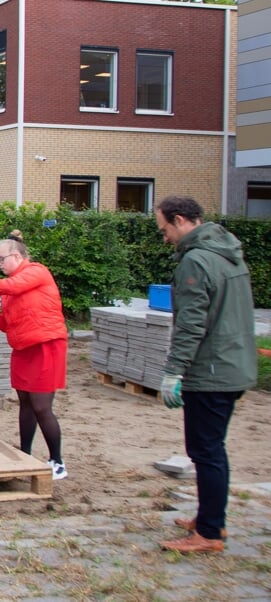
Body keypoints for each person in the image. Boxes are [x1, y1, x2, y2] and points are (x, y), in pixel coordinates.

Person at [154, 195, 256, 554]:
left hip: (212, 369)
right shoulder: (227, 252)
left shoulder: (196, 261)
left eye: (165, 229)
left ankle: (209, 533)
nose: (164, 237)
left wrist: (173, 371)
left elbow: (192, 324)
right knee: (211, 449)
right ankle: (210, 517)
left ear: (181, 220)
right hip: (233, 364)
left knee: (206, 450)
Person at [0, 230, 69, 481]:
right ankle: (26, 453)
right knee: (26, 403)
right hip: (23, 348)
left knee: (42, 406)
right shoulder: (8, 293)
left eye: (2, 258)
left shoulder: (35, 272)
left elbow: (13, 285)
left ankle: (57, 462)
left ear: (19, 256)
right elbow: (8, 324)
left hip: (45, 344)